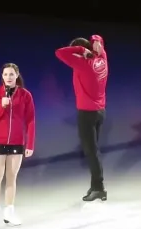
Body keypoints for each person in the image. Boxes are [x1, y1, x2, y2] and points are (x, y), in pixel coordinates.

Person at [55, 35, 108, 202]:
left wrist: (80, 51)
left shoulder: (83, 64)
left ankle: (99, 188)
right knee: (94, 152)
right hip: (100, 112)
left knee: (91, 153)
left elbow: (60, 53)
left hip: (87, 114)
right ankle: (95, 186)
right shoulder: (102, 58)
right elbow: (98, 41)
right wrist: (95, 44)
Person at [0, 63, 35, 226]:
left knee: (11, 177)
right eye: (6, 74)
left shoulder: (25, 95)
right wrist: (2, 106)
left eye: (11, 74)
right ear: (2, 76)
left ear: (17, 75)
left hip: (17, 141)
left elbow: (30, 120)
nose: (8, 77)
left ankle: (9, 212)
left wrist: (30, 144)